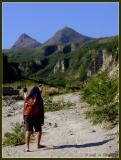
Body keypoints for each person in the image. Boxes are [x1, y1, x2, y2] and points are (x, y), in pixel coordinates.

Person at [23, 86, 44, 152]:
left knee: (28, 131)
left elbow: (24, 108)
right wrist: (42, 119)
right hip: (37, 116)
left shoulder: (27, 97)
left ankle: (27, 148)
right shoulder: (39, 98)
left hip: (27, 116)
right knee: (38, 130)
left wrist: (24, 118)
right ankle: (38, 145)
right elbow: (41, 110)